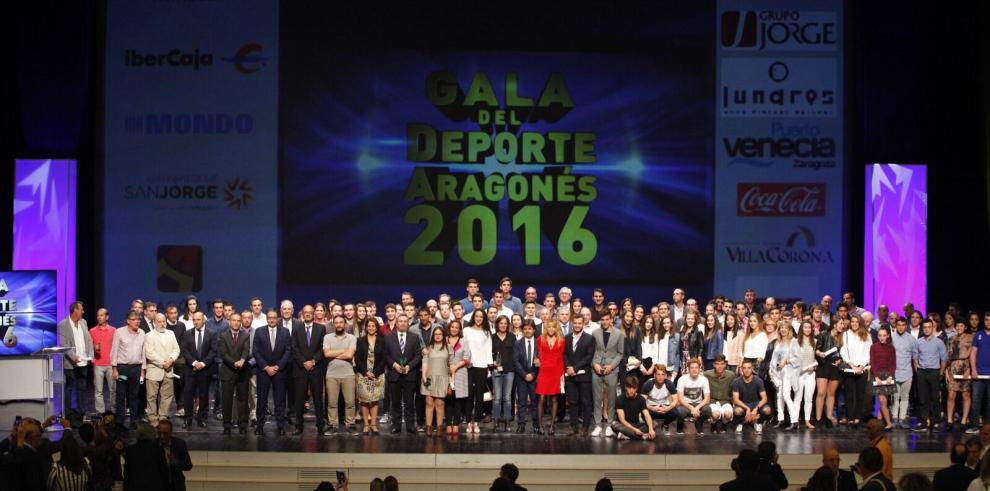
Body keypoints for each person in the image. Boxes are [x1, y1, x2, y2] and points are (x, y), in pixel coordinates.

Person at [291, 306, 328, 435]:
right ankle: (299, 426)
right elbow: (294, 348)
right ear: (302, 314)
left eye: (310, 313)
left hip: (316, 368)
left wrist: (313, 361)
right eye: (305, 312)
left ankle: (320, 426)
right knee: (300, 399)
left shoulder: (321, 328)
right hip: (300, 369)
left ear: (313, 314)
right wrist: (303, 362)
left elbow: (323, 348)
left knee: (318, 399)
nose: (307, 314)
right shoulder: (296, 328)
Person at [253, 309, 291, 435]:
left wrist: (278, 366)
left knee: (279, 400)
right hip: (263, 371)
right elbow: (256, 351)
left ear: (277, 318)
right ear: (267, 318)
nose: (271, 319)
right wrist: (266, 367)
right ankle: (259, 426)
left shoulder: (285, 332)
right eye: (269, 317)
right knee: (262, 400)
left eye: (274, 317)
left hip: (279, 372)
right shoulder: (259, 331)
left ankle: (280, 426)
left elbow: (288, 351)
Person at [385, 314, 422, 434]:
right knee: (395, 402)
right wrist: (394, 365)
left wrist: (409, 366)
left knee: (409, 402)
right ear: (396, 322)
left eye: (405, 321)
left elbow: (418, 355)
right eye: (400, 321)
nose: (402, 323)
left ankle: (410, 426)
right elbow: (386, 355)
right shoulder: (388, 337)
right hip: (394, 374)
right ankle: (396, 426)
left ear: (408, 323)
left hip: (409, 374)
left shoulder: (414, 337)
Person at [179, 312, 216, 429]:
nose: (196, 322)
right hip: (190, 369)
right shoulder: (187, 334)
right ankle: (188, 419)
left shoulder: (211, 333)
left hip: (205, 370)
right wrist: (194, 363)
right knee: (188, 394)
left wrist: (203, 364)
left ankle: (202, 419)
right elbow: (184, 350)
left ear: (203, 320)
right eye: (194, 320)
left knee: (204, 395)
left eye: (198, 319)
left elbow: (213, 351)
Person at [591, 312, 624, 437]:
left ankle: (610, 424)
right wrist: (595, 364)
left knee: (611, 398)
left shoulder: (619, 334)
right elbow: (592, 351)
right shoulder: (595, 333)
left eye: (607, 319)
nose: (605, 322)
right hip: (597, 368)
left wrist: (612, 366)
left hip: (611, 369)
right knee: (597, 398)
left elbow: (620, 353)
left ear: (611, 319)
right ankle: (598, 424)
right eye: (602, 319)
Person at [218, 312, 252, 434]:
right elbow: (223, 354)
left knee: (242, 400)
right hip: (227, 371)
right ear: (230, 322)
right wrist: (235, 363)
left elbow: (246, 350)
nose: (236, 322)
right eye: (234, 320)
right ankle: (227, 425)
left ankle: (242, 424)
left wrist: (242, 360)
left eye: (238, 320)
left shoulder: (245, 335)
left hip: (242, 372)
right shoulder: (223, 336)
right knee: (227, 400)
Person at [112, 311, 147, 428]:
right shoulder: (119, 332)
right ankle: (120, 420)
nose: (137, 321)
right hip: (122, 368)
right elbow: (114, 351)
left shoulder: (142, 333)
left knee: (134, 396)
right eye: (134, 319)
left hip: (136, 369)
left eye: (138, 319)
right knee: (121, 395)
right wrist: (114, 369)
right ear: (128, 321)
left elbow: (143, 353)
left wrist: (143, 370)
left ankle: (133, 420)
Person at [145, 313, 180, 426]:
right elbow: (150, 353)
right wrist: (163, 363)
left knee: (167, 395)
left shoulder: (171, 333)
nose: (162, 323)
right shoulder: (149, 335)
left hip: (169, 369)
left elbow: (176, 349)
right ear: (154, 322)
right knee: (152, 396)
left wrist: (171, 360)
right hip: (155, 369)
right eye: (159, 321)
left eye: (163, 321)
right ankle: (153, 418)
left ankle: (163, 416)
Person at [564, 315, 596, 436]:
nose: (577, 325)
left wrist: (575, 368)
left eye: (579, 323)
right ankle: (574, 427)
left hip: (584, 375)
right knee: (572, 402)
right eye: (575, 323)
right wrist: (569, 368)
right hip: (570, 375)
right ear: (572, 323)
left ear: (583, 324)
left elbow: (589, 356)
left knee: (586, 402)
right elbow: (564, 354)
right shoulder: (566, 338)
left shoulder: (589, 339)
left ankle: (585, 427)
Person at [60, 301, 93, 415]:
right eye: (81, 309)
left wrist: (91, 355)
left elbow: (88, 340)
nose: (83, 311)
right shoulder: (63, 324)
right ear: (75, 311)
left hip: (83, 362)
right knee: (69, 388)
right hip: (70, 363)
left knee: (82, 388)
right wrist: (74, 357)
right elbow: (64, 345)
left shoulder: (84, 322)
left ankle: (82, 411)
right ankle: (68, 413)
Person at [463, 309, 494, 434]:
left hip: (481, 367)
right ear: (473, 317)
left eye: (481, 316)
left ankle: (476, 421)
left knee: (480, 396)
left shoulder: (486, 333)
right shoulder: (466, 331)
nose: (479, 318)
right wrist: (465, 361)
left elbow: (488, 351)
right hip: (468, 366)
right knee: (469, 395)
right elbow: (462, 347)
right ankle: (469, 420)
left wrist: (488, 368)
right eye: (477, 316)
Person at [915, 320, 948, 431]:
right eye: (925, 327)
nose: (927, 329)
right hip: (922, 372)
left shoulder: (939, 342)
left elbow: (944, 359)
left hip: (934, 371)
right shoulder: (918, 342)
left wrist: (941, 372)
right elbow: (915, 357)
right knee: (922, 398)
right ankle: (923, 421)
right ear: (922, 328)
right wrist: (917, 370)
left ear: (933, 328)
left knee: (935, 398)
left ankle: (936, 422)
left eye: (929, 327)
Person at [355, 317, 386, 435]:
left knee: (374, 400)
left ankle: (373, 424)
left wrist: (375, 373)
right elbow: (357, 359)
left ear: (376, 327)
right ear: (366, 327)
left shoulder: (382, 341)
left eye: (373, 326)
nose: (371, 328)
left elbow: (383, 359)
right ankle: (366, 425)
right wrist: (365, 372)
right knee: (364, 400)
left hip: (377, 374)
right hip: (363, 374)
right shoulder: (360, 340)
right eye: (369, 326)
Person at [840, 315, 872, 426]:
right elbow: (843, 351)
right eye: (852, 321)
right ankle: (850, 417)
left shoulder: (866, 335)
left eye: (856, 322)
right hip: (850, 368)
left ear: (860, 323)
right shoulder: (846, 334)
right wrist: (851, 365)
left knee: (860, 395)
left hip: (862, 369)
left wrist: (861, 366)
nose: (854, 323)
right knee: (849, 395)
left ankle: (857, 417)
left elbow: (869, 352)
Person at [535, 319, 564, 435]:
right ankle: (540, 425)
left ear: (556, 328)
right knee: (541, 398)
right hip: (543, 371)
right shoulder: (540, 339)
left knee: (554, 399)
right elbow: (538, 354)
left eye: (553, 327)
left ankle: (552, 425)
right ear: (546, 328)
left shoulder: (561, 341)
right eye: (549, 327)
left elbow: (561, 358)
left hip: (556, 372)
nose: (551, 329)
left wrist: (562, 375)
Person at [421, 327, 451, 436]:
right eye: (436, 334)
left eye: (440, 334)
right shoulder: (428, 349)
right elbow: (425, 362)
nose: (438, 336)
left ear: (443, 335)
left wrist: (451, 380)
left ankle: (439, 428)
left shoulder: (448, 348)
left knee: (440, 403)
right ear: (433, 336)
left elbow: (451, 365)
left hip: (443, 378)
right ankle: (428, 427)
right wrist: (424, 375)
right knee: (429, 403)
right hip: (429, 378)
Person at [769, 321, 799, 429]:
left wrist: (786, 362)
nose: (783, 330)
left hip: (788, 371)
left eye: (785, 328)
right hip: (778, 371)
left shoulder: (793, 342)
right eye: (781, 328)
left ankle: (794, 420)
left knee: (786, 395)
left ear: (789, 330)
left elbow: (797, 358)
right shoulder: (777, 342)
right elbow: (773, 358)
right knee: (779, 396)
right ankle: (780, 419)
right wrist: (770, 370)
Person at [123, 424, 170, 491]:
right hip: (155, 487)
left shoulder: (130, 450)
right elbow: (164, 471)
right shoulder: (158, 449)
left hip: (135, 487)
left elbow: (127, 472)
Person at [444, 320, 471, 435]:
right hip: (446, 372)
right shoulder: (444, 340)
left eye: (457, 327)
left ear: (459, 329)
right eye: (452, 327)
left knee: (458, 400)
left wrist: (455, 367)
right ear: (449, 328)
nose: (454, 329)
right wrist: (450, 367)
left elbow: (467, 357)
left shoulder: (464, 341)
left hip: (460, 372)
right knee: (448, 399)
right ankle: (448, 424)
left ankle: (456, 424)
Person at [892, 316, 919, 429]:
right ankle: (894, 418)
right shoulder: (891, 338)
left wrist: (917, 372)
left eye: (903, 325)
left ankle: (902, 419)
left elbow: (915, 357)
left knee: (905, 397)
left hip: (907, 373)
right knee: (895, 397)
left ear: (906, 326)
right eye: (899, 325)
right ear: (896, 325)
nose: (901, 327)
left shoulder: (912, 339)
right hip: (894, 372)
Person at [732, 360, 772, 434]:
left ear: (752, 369)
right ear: (741, 369)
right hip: (743, 404)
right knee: (737, 411)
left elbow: (764, 398)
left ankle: (758, 422)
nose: (746, 370)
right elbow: (735, 400)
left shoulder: (758, 380)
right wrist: (747, 409)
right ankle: (740, 423)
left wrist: (756, 408)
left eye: (749, 368)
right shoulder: (736, 381)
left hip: (755, 404)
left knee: (767, 410)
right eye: (744, 368)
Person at [513, 320, 539, 434]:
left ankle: (536, 424)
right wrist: (524, 374)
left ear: (534, 330)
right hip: (521, 377)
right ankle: (521, 424)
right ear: (523, 330)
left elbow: (541, 360)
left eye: (530, 328)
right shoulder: (518, 343)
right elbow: (516, 361)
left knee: (535, 401)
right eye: (525, 329)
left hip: (535, 376)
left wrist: (533, 374)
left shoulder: (539, 343)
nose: (527, 331)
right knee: (522, 401)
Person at [491, 316, 516, 433]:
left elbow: (515, 354)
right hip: (496, 370)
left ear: (508, 325)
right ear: (497, 324)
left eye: (505, 323)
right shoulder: (492, 337)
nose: (503, 325)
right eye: (501, 323)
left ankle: (507, 421)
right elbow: (488, 353)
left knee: (507, 398)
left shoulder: (512, 337)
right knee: (497, 398)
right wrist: (492, 362)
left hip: (509, 371)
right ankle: (496, 421)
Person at [90, 308, 117, 415]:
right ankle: (100, 413)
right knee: (98, 391)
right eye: (98, 315)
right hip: (98, 364)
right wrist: (92, 353)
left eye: (101, 315)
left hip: (111, 365)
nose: (99, 317)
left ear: (107, 317)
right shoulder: (92, 331)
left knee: (113, 390)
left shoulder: (114, 330)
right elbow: (88, 346)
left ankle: (114, 412)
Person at [611, 376, 655, 440]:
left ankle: (627, 435)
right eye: (629, 387)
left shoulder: (641, 399)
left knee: (653, 423)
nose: (631, 390)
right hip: (624, 425)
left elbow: (646, 415)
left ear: (636, 388)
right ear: (626, 387)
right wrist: (635, 430)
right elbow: (622, 420)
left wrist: (651, 429)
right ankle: (642, 436)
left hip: (636, 424)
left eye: (634, 388)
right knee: (614, 424)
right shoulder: (620, 399)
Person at [675, 358, 712, 435]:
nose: (694, 370)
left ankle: (699, 422)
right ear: (688, 369)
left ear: (699, 369)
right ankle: (680, 424)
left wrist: (697, 408)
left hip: (698, 404)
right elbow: (680, 399)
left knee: (707, 410)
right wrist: (691, 408)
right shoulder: (682, 379)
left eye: (696, 367)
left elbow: (707, 399)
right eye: (692, 368)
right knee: (680, 411)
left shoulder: (704, 380)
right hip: (685, 404)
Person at [641, 366, 679, 434]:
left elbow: (676, 400)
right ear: (654, 375)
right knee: (643, 411)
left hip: (664, 406)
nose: (660, 377)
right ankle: (651, 424)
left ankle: (665, 424)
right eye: (658, 374)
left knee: (675, 412)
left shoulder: (669, 384)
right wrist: (653, 408)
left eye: (662, 374)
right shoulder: (648, 384)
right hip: (651, 407)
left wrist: (668, 408)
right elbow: (642, 402)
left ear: (665, 376)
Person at [704, 355, 736, 433]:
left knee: (728, 414)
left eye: (722, 364)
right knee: (716, 414)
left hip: (725, 401)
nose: (719, 366)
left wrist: (734, 403)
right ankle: (714, 423)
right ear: (714, 365)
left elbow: (733, 390)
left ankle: (724, 423)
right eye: (717, 364)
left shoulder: (731, 375)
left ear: (725, 364)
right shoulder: (707, 374)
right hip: (712, 401)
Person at [157, 419, 192, 491]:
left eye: (165, 433)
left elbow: (188, 465)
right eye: (160, 433)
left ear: (170, 432)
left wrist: (176, 462)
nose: (162, 436)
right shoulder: (153, 444)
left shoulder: (179, 444)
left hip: (176, 486)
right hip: (159, 486)